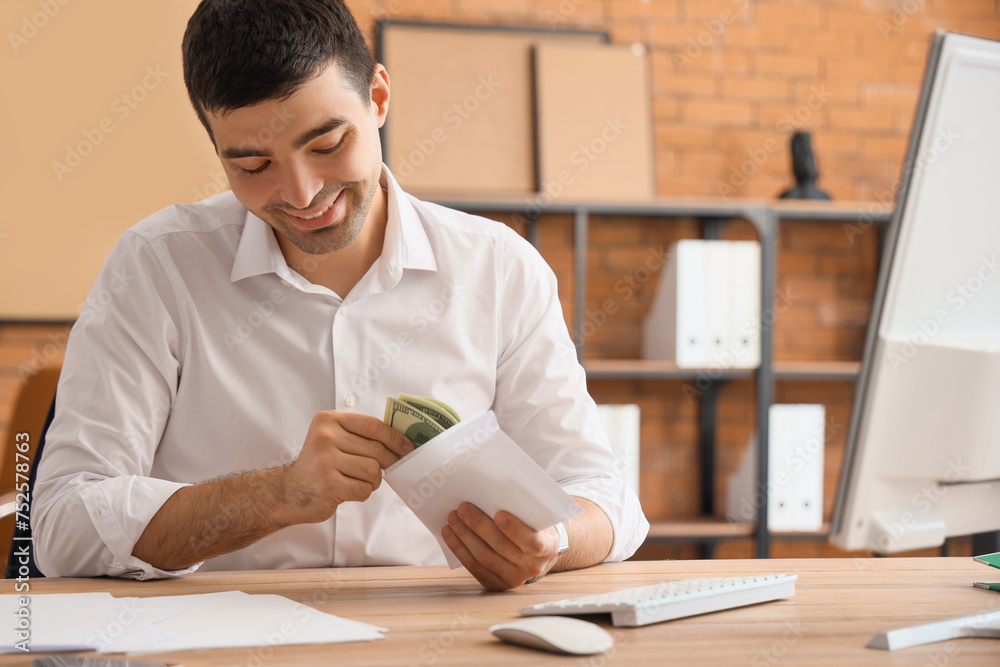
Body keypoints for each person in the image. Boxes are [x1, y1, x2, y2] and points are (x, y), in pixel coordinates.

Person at [32, 0, 648, 591]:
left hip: (433, 633)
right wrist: (277, 495)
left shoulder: (499, 268)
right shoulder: (157, 267)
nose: (300, 194)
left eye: (327, 146)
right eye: (252, 166)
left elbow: (606, 496)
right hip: (221, 638)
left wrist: (553, 544)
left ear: (378, 98)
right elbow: (59, 526)